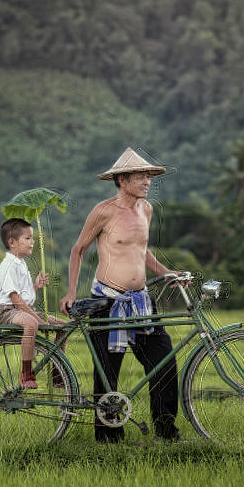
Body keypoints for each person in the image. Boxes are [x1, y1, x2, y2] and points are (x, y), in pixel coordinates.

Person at [60, 147, 183, 443]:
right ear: (123, 179)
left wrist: (169, 274)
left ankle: (166, 432)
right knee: (106, 374)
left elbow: (142, 254)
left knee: (164, 363)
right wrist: (71, 293)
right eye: (141, 176)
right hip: (107, 301)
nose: (147, 181)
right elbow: (78, 250)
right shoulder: (103, 212)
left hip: (141, 301)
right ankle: (108, 439)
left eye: (149, 176)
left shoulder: (146, 210)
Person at [0, 218, 65, 389]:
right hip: (7, 311)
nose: (33, 242)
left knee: (63, 327)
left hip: (21, 309)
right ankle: (26, 373)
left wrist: (35, 287)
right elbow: (15, 299)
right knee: (31, 324)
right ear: (12, 242)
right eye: (28, 238)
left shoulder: (21, 263)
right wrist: (36, 319)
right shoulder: (8, 265)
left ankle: (58, 376)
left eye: (33, 238)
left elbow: (23, 296)